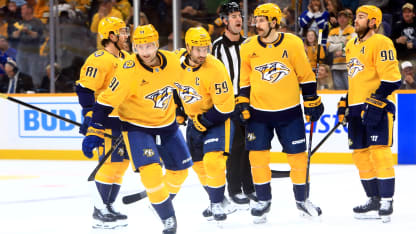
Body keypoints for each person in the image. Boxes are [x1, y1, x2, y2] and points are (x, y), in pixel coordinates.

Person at [82, 24, 193, 234]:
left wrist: (184, 108)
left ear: (157, 45)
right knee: (150, 173)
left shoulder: (173, 61)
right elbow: (105, 101)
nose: (146, 52)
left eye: (150, 46)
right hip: (136, 126)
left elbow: (185, 85)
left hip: (167, 124)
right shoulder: (127, 70)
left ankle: (158, 200)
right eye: (140, 47)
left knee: (180, 172)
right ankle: (168, 218)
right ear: (134, 47)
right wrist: (94, 129)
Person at [237, 3, 324, 224]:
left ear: (275, 22)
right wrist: (243, 104)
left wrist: (312, 100)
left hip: (290, 112)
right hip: (258, 114)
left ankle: (302, 200)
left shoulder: (293, 43)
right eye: (256, 20)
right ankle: (263, 201)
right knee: (257, 158)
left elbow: (305, 75)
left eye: (262, 20)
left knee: (298, 159)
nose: (257, 24)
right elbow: (244, 80)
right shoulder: (247, 47)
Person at [339, 5, 401, 223]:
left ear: (373, 22)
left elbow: (393, 79)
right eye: (356, 17)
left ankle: (386, 199)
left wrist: (375, 103)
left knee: (379, 152)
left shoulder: (381, 42)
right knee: (360, 156)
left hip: (378, 108)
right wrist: (344, 102)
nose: (356, 20)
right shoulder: (350, 45)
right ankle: (373, 198)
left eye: (361, 17)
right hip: (356, 109)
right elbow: (356, 79)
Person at [175, 26, 235, 222]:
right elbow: (170, 87)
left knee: (213, 161)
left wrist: (205, 120)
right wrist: (178, 110)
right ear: (188, 47)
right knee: (199, 166)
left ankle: (217, 204)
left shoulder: (215, 67)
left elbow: (226, 106)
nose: (202, 54)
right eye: (198, 49)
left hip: (217, 121)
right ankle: (217, 199)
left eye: (205, 49)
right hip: (193, 122)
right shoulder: (176, 63)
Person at [75, 16, 130, 229]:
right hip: (106, 120)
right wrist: (89, 117)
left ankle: (109, 205)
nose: (126, 35)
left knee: (121, 165)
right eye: (122, 32)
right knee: (109, 165)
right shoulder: (99, 59)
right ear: (111, 36)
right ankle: (99, 210)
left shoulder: (127, 57)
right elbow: (85, 90)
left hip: (124, 120)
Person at [212, 1, 255, 206]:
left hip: (249, 101)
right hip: (228, 104)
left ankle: (249, 188)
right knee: (235, 147)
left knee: (250, 146)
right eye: (234, 16)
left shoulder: (249, 44)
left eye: (240, 15)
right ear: (224, 20)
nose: (238, 19)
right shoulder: (217, 47)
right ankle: (234, 190)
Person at [327, 9, 356, 90]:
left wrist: (340, 48)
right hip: (336, 66)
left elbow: (351, 45)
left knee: (350, 91)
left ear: (348, 19)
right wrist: (343, 44)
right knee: (338, 92)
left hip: (348, 66)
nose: (342, 19)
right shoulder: (333, 31)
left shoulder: (353, 30)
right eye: (340, 17)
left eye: (344, 17)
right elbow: (329, 47)